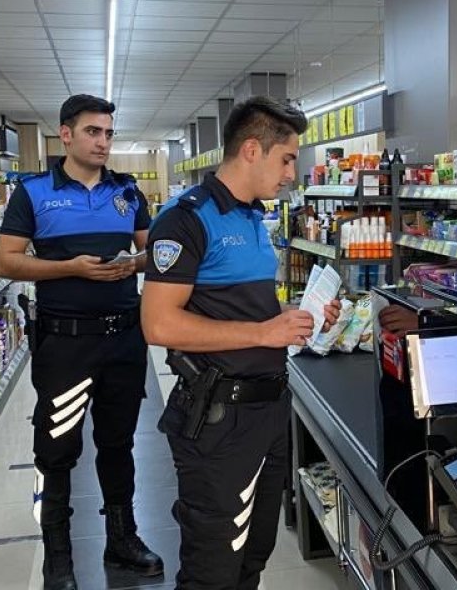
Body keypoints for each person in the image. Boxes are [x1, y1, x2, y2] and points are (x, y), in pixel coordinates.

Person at [141, 96, 338, 590]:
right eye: (287, 158)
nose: (293, 172)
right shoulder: (186, 218)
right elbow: (159, 324)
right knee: (213, 569)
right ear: (252, 149)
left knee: (252, 558)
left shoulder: (253, 219)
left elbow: (245, 311)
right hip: (218, 423)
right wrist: (262, 332)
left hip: (268, 413)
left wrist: (293, 318)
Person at [0, 94, 162, 590]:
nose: (103, 142)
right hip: (65, 346)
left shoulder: (128, 193)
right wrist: (69, 267)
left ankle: (122, 538)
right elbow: (5, 261)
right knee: (57, 449)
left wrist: (134, 264)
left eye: (109, 133)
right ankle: (58, 557)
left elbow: (154, 254)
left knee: (118, 443)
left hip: (123, 341)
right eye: (93, 131)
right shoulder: (34, 193)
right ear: (65, 134)